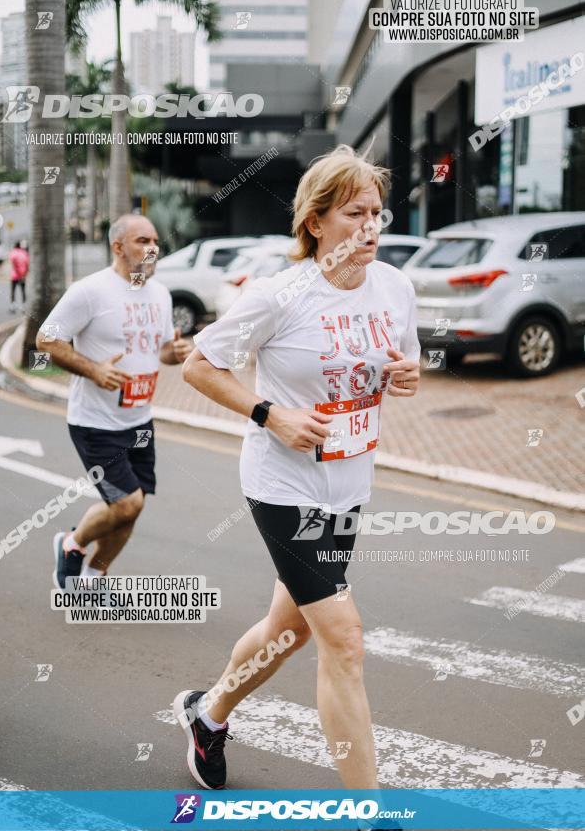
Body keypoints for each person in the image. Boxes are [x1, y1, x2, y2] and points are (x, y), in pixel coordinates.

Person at [175, 145, 420, 805]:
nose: (369, 227)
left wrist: (406, 378)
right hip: (283, 486)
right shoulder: (281, 295)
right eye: (352, 213)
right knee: (342, 640)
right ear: (315, 222)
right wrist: (268, 413)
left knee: (288, 630)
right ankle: (369, 814)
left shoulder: (394, 286)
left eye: (377, 212)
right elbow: (200, 365)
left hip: (349, 484)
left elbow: (404, 367)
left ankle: (209, 713)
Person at [36, 214, 192, 588]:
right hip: (95, 423)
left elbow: (162, 352)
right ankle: (72, 544)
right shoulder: (90, 291)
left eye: (155, 240)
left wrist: (177, 351)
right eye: (142, 240)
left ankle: (94, 574)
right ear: (118, 247)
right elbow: (46, 340)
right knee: (127, 503)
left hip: (139, 420)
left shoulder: (161, 294)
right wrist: (93, 371)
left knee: (131, 509)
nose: (152, 248)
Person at [9, 241, 30, 312]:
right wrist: (24, 274)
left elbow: (13, 264)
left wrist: (18, 273)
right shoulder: (24, 253)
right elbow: (27, 264)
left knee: (13, 290)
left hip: (15, 276)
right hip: (23, 275)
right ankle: (24, 306)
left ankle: (12, 306)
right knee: (23, 291)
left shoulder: (13, 253)